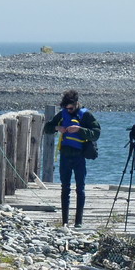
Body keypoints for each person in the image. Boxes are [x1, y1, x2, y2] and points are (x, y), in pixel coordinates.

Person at [43, 90, 100, 227]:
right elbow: (47, 128)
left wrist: (79, 130)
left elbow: (96, 133)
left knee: (80, 188)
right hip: (65, 155)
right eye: (65, 108)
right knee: (65, 188)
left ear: (76, 104)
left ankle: (78, 222)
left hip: (80, 156)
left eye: (70, 108)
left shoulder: (86, 115)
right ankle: (65, 222)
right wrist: (57, 127)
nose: (68, 111)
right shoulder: (62, 114)